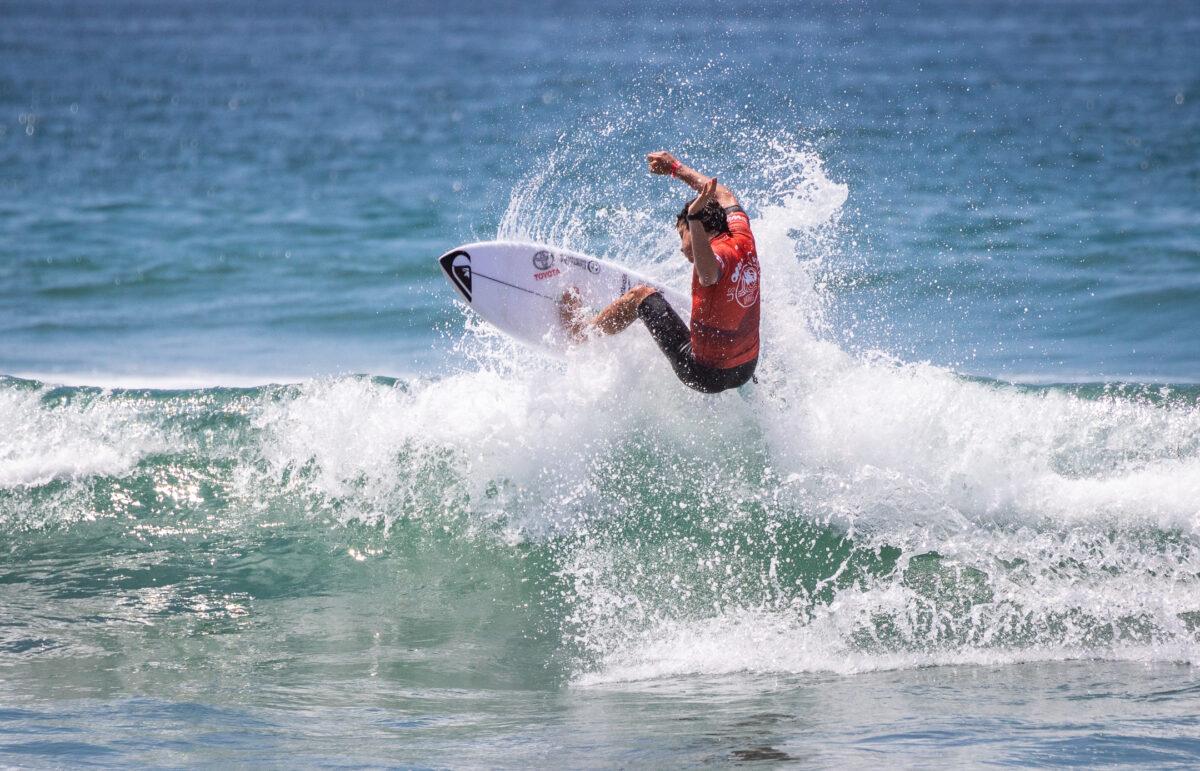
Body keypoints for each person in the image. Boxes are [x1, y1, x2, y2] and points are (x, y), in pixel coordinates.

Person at [559, 151, 760, 394]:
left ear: (699, 229)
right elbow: (724, 194)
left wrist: (693, 218)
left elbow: (709, 275)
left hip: (703, 374)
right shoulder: (742, 234)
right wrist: (675, 167)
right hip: (746, 368)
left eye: (682, 235)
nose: (681, 246)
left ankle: (582, 333)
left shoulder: (717, 256)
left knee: (640, 296)